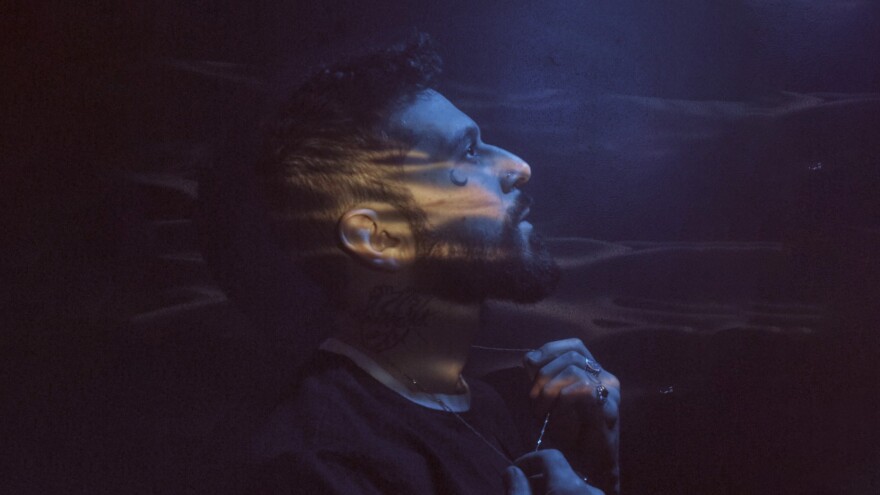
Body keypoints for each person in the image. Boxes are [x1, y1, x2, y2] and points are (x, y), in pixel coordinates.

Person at [249, 34, 620, 495]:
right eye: (467, 151)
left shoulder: (480, 407)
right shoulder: (319, 463)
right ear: (379, 238)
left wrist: (593, 466)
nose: (518, 166)